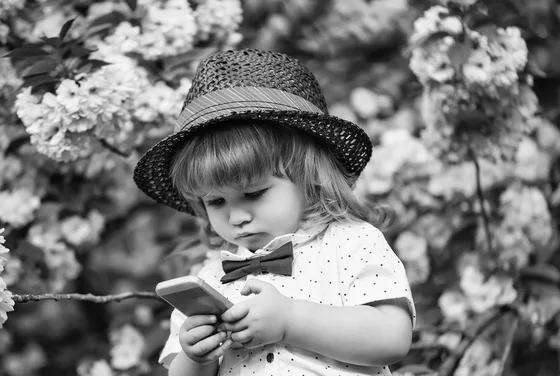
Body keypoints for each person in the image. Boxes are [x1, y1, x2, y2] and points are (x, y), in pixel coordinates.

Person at [133, 49, 416, 376]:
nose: (236, 217)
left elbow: (392, 338)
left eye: (253, 194)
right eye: (216, 202)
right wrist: (196, 357)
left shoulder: (351, 243)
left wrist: (290, 319)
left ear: (309, 177)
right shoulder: (210, 280)